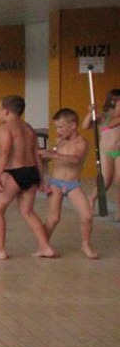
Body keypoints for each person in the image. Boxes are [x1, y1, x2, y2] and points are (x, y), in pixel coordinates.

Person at [0, 95, 57, 260]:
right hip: (32, 172)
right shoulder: (29, 128)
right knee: (27, 211)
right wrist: (41, 178)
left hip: (14, 172)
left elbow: (5, 152)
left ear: (6, 111)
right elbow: (36, 153)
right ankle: (46, 247)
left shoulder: (5, 128)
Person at [40, 108, 99, 259]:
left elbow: (76, 159)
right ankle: (43, 246)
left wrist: (54, 154)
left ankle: (85, 245)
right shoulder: (59, 141)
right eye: (56, 127)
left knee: (87, 216)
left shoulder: (82, 143)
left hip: (73, 184)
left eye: (60, 127)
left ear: (72, 126)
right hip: (55, 183)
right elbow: (50, 159)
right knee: (53, 218)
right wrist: (43, 158)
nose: (58, 131)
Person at [82, 88, 120, 215]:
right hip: (106, 153)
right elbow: (85, 126)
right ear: (113, 103)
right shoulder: (104, 117)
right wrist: (90, 113)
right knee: (106, 181)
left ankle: (119, 207)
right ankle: (91, 199)